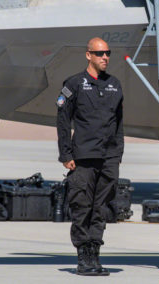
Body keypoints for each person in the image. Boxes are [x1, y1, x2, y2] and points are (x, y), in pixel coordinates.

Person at [56, 37, 124, 276]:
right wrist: (65, 154)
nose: (105, 57)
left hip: (108, 158)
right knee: (82, 206)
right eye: (99, 53)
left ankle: (95, 253)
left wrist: (118, 154)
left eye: (107, 53)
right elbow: (63, 120)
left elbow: (118, 123)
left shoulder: (114, 85)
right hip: (83, 156)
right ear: (88, 55)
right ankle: (83, 257)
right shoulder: (74, 84)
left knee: (101, 208)